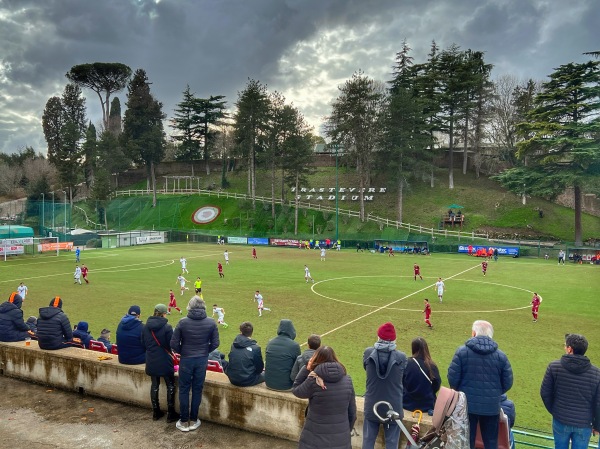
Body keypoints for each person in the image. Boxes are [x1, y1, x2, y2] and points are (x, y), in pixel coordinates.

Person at [448, 320, 513, 449]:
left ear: (473, 333)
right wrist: (494, 393)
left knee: (467, 442)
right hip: (491, 407)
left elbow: (453, 379)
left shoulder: (462, 352)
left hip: (467, 407)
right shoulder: (501, 356)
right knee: (490, 443)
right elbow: (508, 382)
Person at [541, 333, 600, 449]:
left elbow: (545, 393)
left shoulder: (554, 367)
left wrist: (555, 410)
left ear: (569, 349)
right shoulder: (597, 373)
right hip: (584, 424)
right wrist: (597, 425)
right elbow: (598, 403)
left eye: (565, 345)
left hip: (560, 420)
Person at [170, 296, 220, 432]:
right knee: (197, 389)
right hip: (200, 360)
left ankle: (184, 420)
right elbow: (215, 343)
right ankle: (193, 419)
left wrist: (184, 352)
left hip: (187, 359)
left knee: (184, 389)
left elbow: (173, 344)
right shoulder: (210, 322)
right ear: (203, 306)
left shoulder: (183, 322)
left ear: (189, 306)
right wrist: (204, 351)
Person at [293, 346, 357, 449]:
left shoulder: (313, 380)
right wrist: (344, 431)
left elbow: (296, 390)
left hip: (314, 440)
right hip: (340, 439)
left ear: (316, 359)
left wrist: (306, 368)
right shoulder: (347, 380)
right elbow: (352, 413)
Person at [362, 322, 407, 449]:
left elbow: (366, 368)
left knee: (367, 441)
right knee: (392, 443)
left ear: (378, 337)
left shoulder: (368, 353)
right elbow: (402, 376)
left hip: (372, 404)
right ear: (394, 339)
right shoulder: (402, 357)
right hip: (393, 406)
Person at [141, 304, 179, 424]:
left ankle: (156, 412)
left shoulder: (146, 327)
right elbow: (171, 345)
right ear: (163, 314)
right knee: (171, 385)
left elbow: (143, 342)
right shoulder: (167, 327)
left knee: (155, 385)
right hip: (164, 359)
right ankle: (171, 413)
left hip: (151, 359)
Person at [403, 337, 441, 414]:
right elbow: (436, 385)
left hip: (407, 403)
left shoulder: (407, 363)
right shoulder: (432, 365)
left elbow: (401, 382)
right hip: (427, 404)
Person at [224, 321, 265, 387]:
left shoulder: (233, 345)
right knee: (268, 375)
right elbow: (259, 368)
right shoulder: (255, 348)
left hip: (232, 378)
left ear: (240, 332)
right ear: (252, 332)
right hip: (247, 380)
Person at [265, 319, 301, 391]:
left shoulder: (270, 342)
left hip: (269, 383)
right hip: (286, 385)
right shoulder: (294, 345)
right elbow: (298, 365)